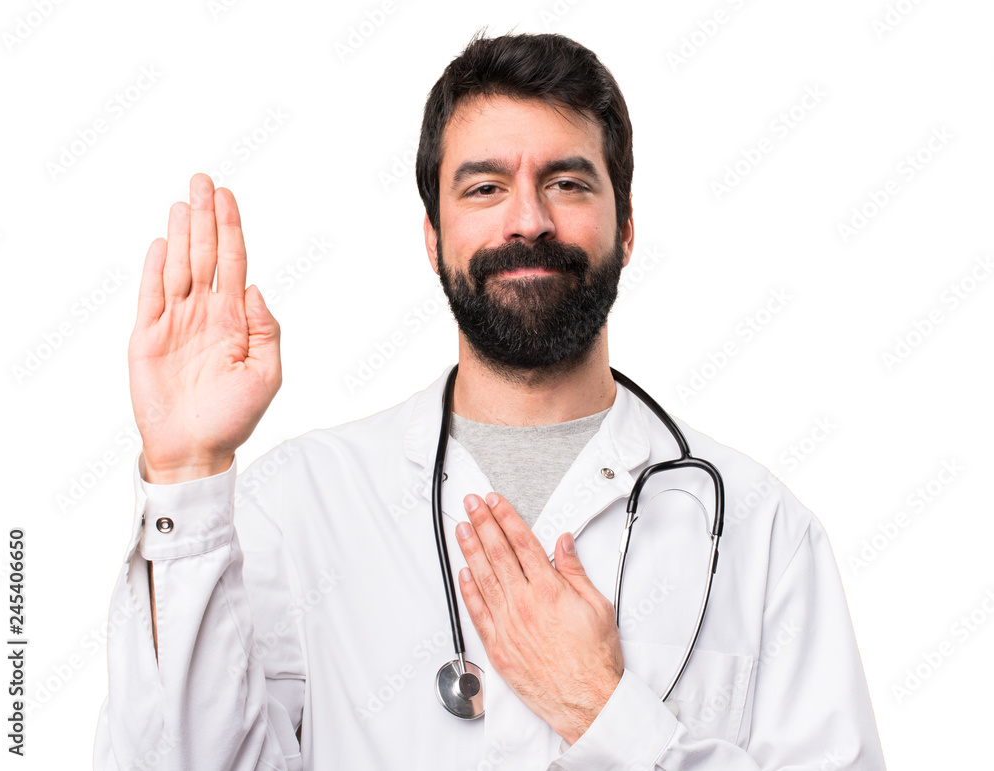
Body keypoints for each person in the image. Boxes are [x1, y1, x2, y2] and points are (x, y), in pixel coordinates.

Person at [94, 31, 886, 770]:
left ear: (629, 227)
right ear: (433, 237)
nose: (529, 221)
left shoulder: (761, 531)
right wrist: (186, 469)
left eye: (567, 182)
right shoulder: (299, 506)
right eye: (485, 187)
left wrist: (605, 711)